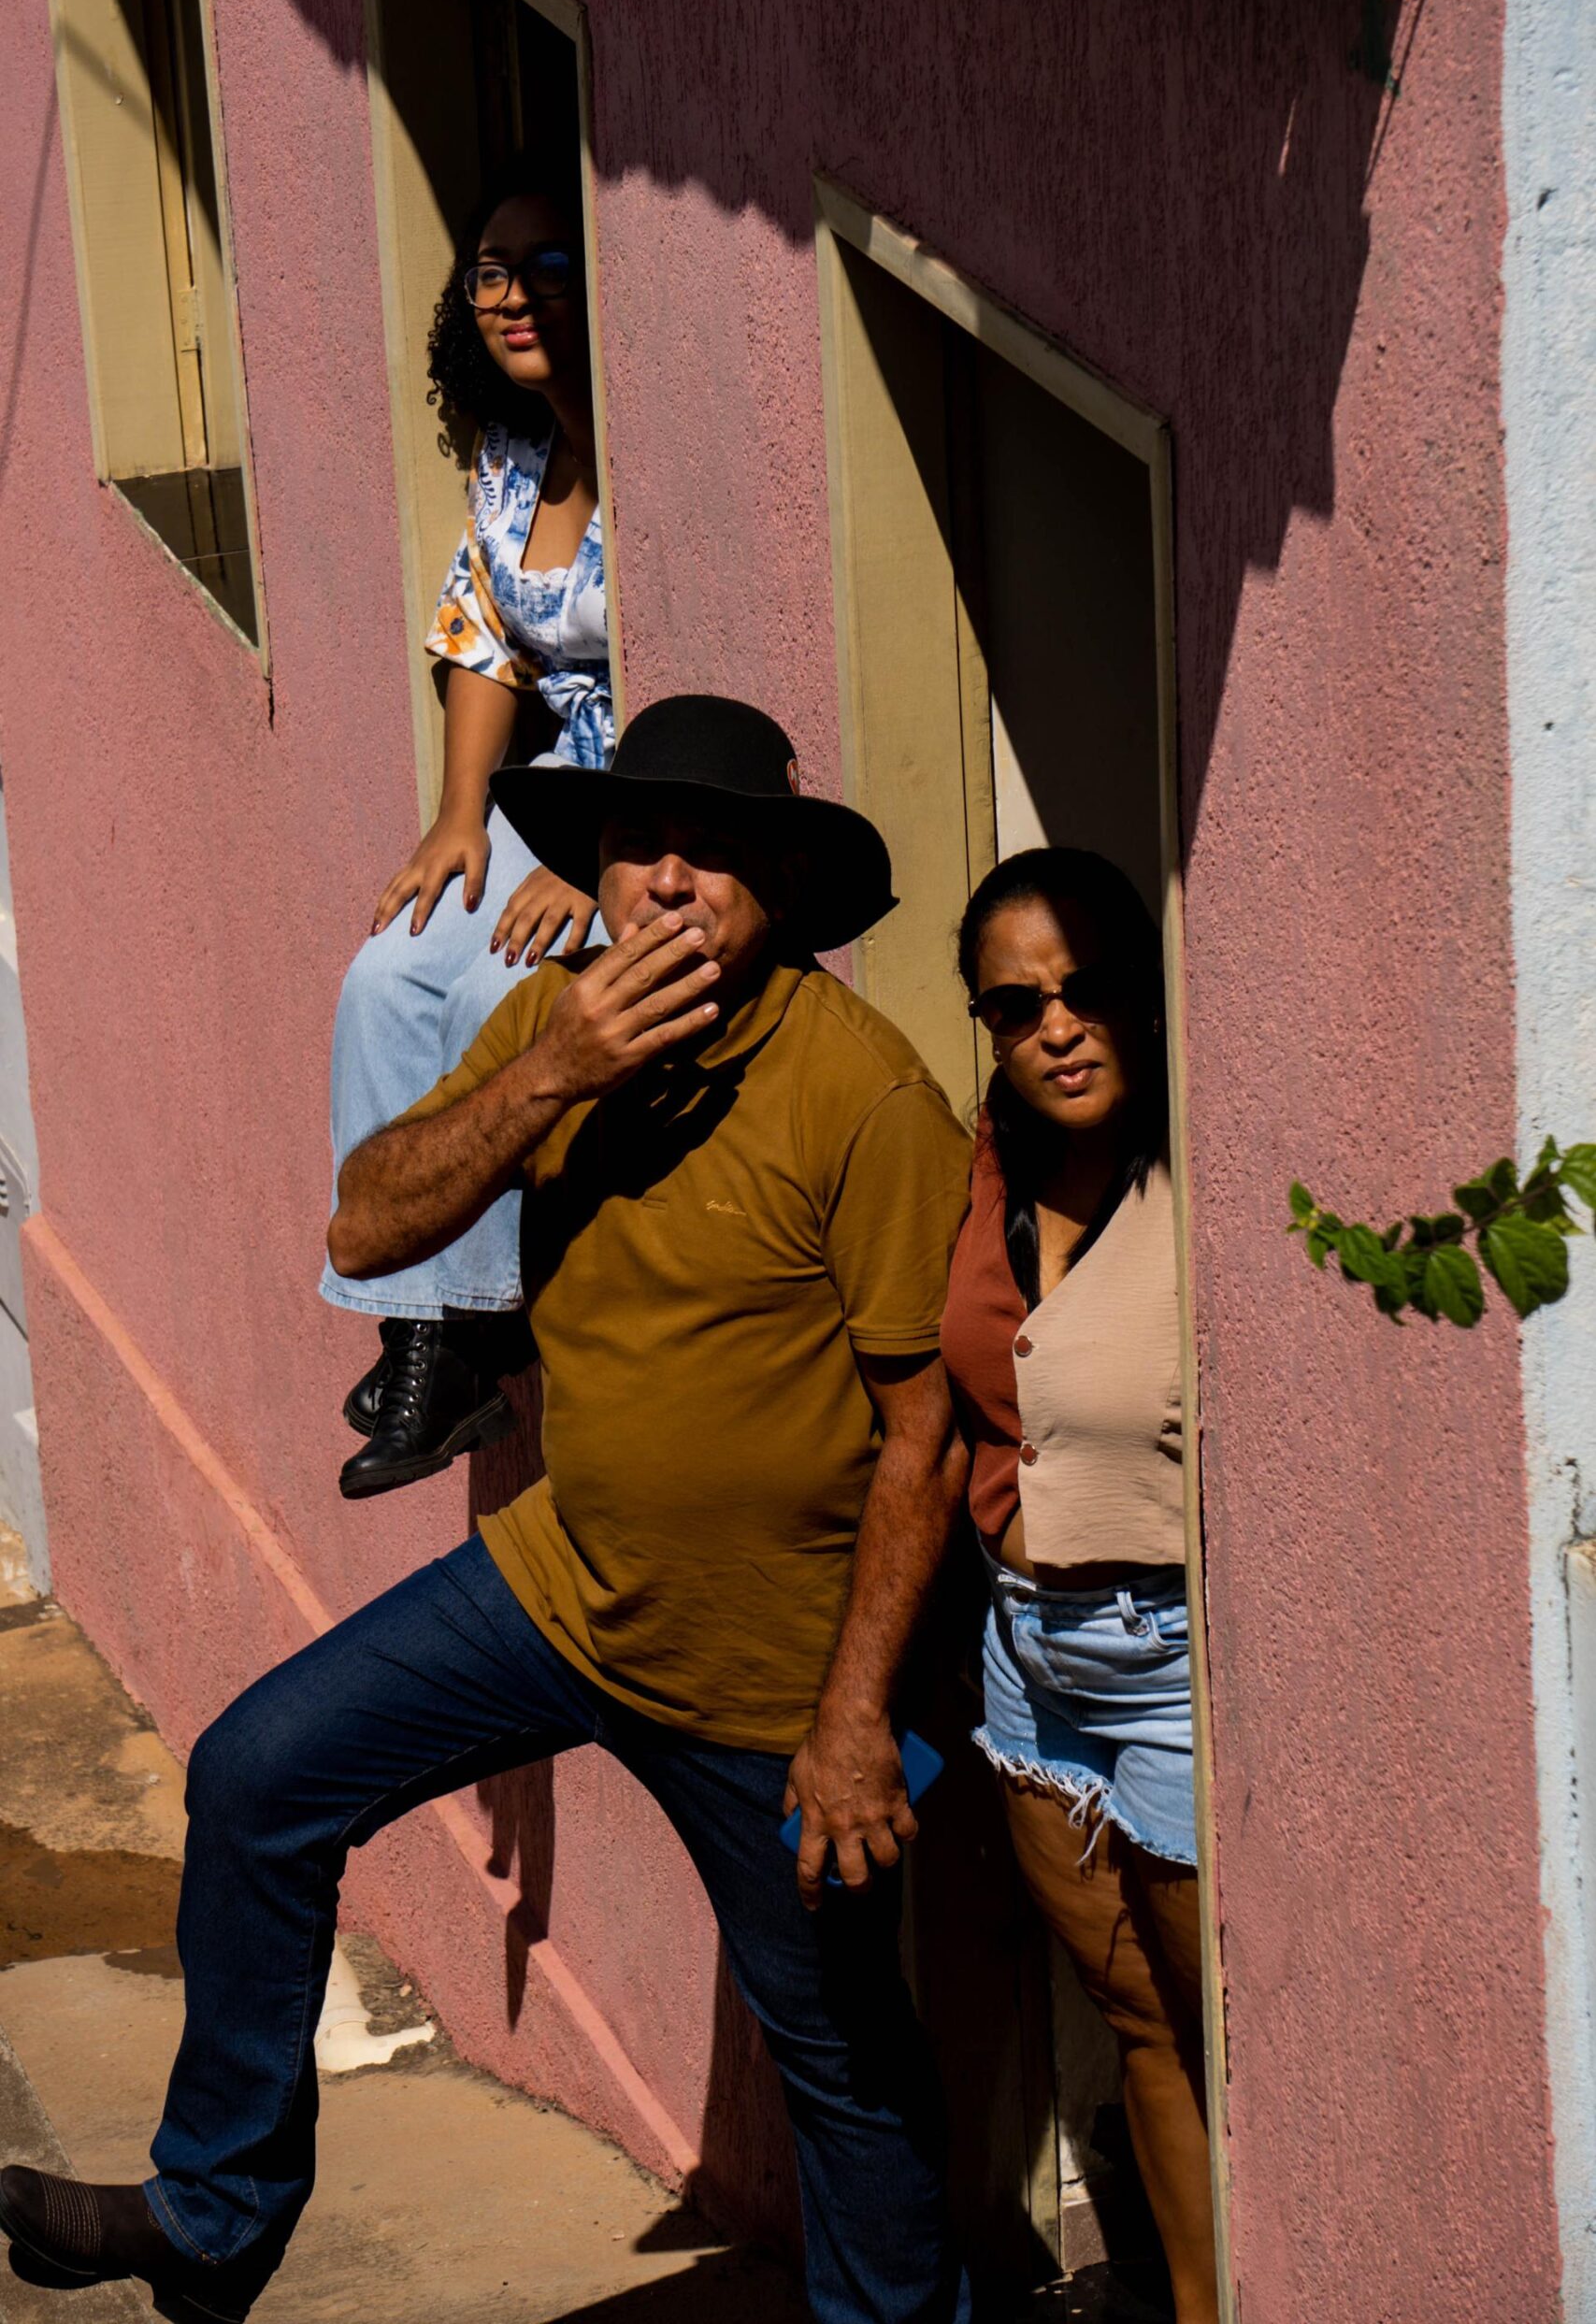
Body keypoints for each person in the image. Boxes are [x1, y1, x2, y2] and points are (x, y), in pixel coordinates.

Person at [0, 698, 977, 2324]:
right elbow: (366, 1227)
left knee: (844, 2065)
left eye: (712, 853)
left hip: (773, 1678)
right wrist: (551, 1073)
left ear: (782, 889)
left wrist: (859, 1713)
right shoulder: (547, 1025)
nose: (667, 881)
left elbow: (924, 1436)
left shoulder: (862, 1095)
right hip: (559, 1588)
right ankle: (213, 2214)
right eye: (637, 846)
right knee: (258, 1777)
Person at [939, 848, 1217, 2324]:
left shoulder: (1205, 1182)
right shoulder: (984, 1173)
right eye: (1016, 1004)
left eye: (1087, 989)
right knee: (1140, 2025)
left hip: (1170, 1669)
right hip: (1025, 1665)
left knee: (1221, 2035)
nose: (1057, 1026)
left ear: (1144, 1001)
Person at [323, 159, 613, 1502]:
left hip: (637, 809)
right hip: (544, 786)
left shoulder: (643, 461)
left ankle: (476, 1334)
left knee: (505, 992)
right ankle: (412, 1327)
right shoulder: (514, 454)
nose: (514, 296)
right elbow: (483, 633)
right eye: (492, 271)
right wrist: (458, 816)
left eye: (549, 266)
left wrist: (597, 862)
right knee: (388, 974)